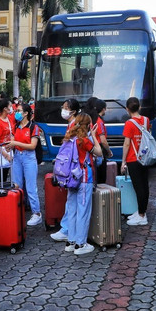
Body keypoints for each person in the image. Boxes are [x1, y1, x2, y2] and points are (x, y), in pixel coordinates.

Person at [54, 113, 102, 255]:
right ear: (88, 125)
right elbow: (98, 152)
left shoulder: (69, 138)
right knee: (83, 211)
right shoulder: (84, 140)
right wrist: (94, 136)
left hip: (69, 179)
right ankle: (81, 244)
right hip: (83, 178)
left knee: (72, 210)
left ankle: (71, 241)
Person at [9, 103, 42, 226]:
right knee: (17, 185)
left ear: (26, 113)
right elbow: (13, 141)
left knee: (31, 187)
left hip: (29, 157)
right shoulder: (16, 126)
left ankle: (36, 213)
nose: (16, 113)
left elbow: (32, 146)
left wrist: (16, 143)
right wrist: (10, 145)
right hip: (17, 156)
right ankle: (17, 209)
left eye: (19, 110)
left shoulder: (34, 127)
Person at [121, 97, 152, 226]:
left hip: (133, 159)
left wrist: (123, 161)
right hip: (144, 157)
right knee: (144, 185)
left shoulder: (129, 123)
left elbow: (127, 144)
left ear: (127, 109)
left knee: (138, 187)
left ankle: (142, 216)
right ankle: (141, 211)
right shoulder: (146, 120)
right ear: (139, 107)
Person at [86, 97, 112, 184]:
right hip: (99, 148)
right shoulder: (99, 121)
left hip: (92, 148)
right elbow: (103, 141)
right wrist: (108, 151)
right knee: (101, 176)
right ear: (103, 109)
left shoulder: (90, 119)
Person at [0, 98, 15, 185]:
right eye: (10, 106)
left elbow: (12, 133)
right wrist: (5, 155)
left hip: (8, 151)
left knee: (5, 180)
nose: (11, 108)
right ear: (5, 109)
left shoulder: (9, 119)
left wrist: (11, 144)